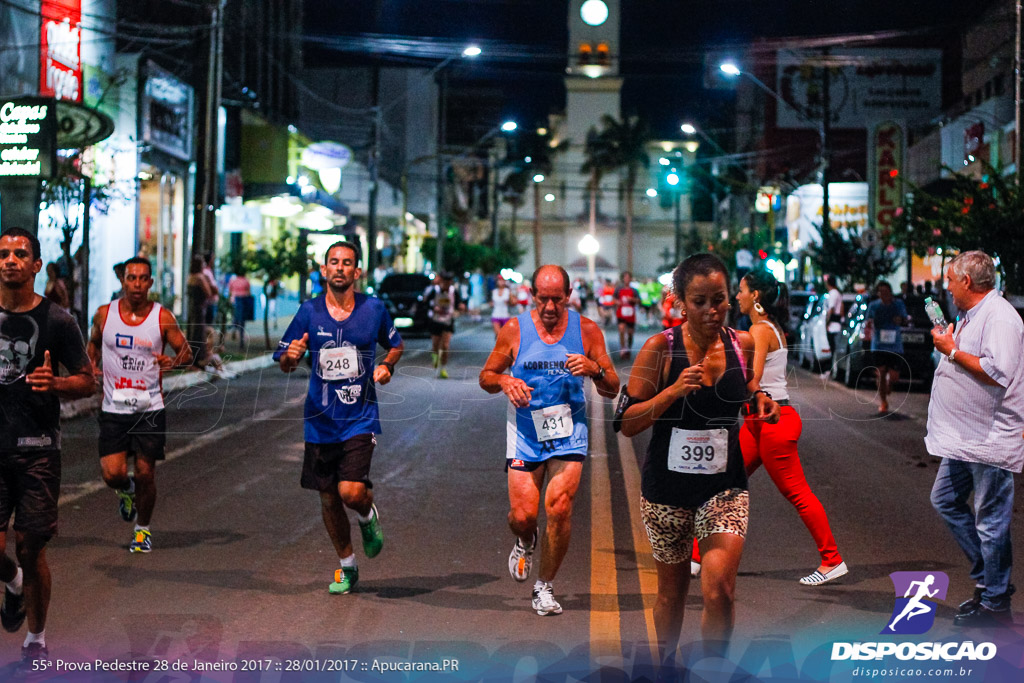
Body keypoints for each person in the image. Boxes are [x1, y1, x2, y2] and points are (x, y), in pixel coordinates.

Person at [616, 253, 779, 671]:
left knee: (719, 590)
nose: (712, 310)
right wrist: (671, 393)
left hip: (723, 487)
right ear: (680, 303)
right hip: (665, 491)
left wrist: (761, 402)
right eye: (700, 301)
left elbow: (751, 391)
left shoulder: (741, 345)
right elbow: (627, 423)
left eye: (720, 299)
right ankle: (665, 666)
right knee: (671, 596)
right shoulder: (660, 348)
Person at [479, 265, 619, 616]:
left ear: (569, 296)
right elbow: (486, 375)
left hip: (569, 431)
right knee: (522, 515)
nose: (551, 307)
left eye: (558, 299)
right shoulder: (514, 329)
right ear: (532, 295)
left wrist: (594, 369)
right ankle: (526, 539)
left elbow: (613, 385)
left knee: (558, 507)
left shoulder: (587, 330)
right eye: (543, 299)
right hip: (525, 432)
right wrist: (504, 382)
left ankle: (544, 586)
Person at [274, 241, 403, 595]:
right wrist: (292, 355)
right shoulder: (308, 311)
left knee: (351, 492)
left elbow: (395, 344)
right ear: (324, 270)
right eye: (334, 262)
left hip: (360, 416)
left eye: (347, 263)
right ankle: (347, 567)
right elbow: (285, 358)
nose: (340, 268)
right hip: (319, 420)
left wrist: (387, 365)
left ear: (357, 272)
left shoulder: (374, 309)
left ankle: (366, 514)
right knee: (328, 497)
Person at [0, 227, 94, 670]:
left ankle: (36, 637)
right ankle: (13, 583)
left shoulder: (58, 321)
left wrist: (55, 383)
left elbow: (87, 379)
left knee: (30, 547)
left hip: (38, 450)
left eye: (20, 254)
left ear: (37, 265)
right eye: (3, 254)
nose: (10, 260)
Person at [927, 251, 1024, 628]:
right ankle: (990, 578)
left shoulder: (1000, 318)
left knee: (991, 521)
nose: (947, 288)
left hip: (990, 438)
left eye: (951, 280)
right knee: (946, 500)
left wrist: (951, 350)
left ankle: (996, 602)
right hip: (965, 438)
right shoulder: (972, 316)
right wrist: (952, 345)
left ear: (967, 281)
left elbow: (997, 371)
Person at [733, 269, 846, 585]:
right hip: (758, 422)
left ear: (755, 295)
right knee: (723, 483)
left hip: (772, 421)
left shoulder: (760, 330)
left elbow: (751, 380)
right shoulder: (768, 327)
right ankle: (698, 557)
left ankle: (832, 560)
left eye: (741, 290)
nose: (737, 295)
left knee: (798, 493)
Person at [87, 257, 192, 554]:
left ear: (150, 283)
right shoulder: (104, 315)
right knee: (113, 474)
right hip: (113, 407)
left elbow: (185, 351)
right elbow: (93, 344)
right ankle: (126, 491)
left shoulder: (162, 318)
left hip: (149, 407)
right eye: (131, 278)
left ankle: (142, 530)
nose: (136, 284)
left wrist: (173, 361)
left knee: (146, 472)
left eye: (142, 278)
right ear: (123, 280)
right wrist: (90, 365)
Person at [864, 281, 907, 414]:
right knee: (881, 372)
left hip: (895, 345)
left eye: (886, 292)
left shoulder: (898, 304)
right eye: (881, 292)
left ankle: (889, 384)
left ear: (890, 292)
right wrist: (870, 324)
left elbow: (904, 318)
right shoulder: (874, 306)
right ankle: (883, 402)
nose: (883, 295)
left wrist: (899, 320)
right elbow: (868, 320)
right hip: (878, 344)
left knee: (894, 376)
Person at [425, 272, 460, 379]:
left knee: (445, 345)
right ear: (441, 281)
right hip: (436, 320)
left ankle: (443, 368)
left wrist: (459, 309)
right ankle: (435, 358)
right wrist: (433, 308)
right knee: (435, 344)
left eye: (449, 282)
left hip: (448, 321)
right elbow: (426, 303)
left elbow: (459, 303)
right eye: (445, 282)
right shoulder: (434, 290)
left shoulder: (454, 291)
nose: (447, 284)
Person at [186, 255, 215, 368]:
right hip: (200, 308)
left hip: (192, 308)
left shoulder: (190, 277)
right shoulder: (200, 278)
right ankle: (198, 359)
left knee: (193, 332)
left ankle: (192, 358)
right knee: (199, 333)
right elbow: (208, 292)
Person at [615, 271, 640, 359]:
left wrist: (632, 299)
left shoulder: (634, 290)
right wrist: (617, 302)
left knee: (630, 333)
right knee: (621, 329)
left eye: (628, 278)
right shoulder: (618, 289)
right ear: (623, 279)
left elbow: (638, 301)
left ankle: (628, 347)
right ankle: (623, 349)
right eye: (625, 278)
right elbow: (614, 299)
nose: (627, 279)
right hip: (621, 313)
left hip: (630, 314)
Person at [227, 269, 253, 348]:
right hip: (243, 301)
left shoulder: (233, 281)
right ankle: (241, 338)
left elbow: (230, 290)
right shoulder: (246, 281)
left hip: (234, 301)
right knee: (242, 320)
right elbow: (248, 292)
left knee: (235, 317)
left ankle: (234, 328)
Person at [823, 274, 843, 361]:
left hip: (832, 325)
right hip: (835, 324)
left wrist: (827, 322)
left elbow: (831, 309)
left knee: (830, 346)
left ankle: (829, 368)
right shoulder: (837, 293)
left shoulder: (833, 293)